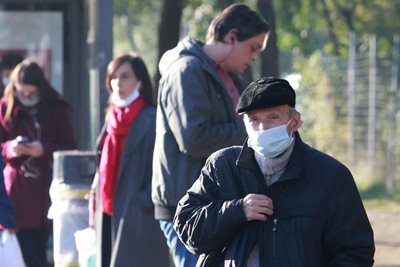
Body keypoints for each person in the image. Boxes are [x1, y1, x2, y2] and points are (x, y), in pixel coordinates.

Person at [174, 77, 375, 266]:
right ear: (245, 125)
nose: (263, 128)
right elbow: (186, 227)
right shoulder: (222, 166)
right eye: (254, 119)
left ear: (294, 122)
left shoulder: (330, 175)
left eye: (273, 117)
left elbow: (356, 251)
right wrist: (236, 210)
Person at [151, 4, 269, 267]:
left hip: (219, 206)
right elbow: (194, 138)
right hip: (187, 207)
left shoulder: (228, 75)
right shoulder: (186, 71)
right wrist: (252, 130)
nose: (254, 57)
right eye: (253, 48)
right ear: (231, 37)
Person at [91, 54, 169, 267]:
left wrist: (142, 201)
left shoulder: (151, 119)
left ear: (140, 81)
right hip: (109, 211)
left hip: (138, 215)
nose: (117, 83)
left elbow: (163, 167)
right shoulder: (112, 118)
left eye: (125, 76)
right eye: (113, 77)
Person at [0, 60, 76, 267]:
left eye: (30, 94)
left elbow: (70, 148)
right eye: (21, 93)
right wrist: (10, 148)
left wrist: (44, 149)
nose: (25, 98)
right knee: (21, 252)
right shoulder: (6, 107)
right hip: (16, 191)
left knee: (42, 251)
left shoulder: (56, 109)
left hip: (47, 190)